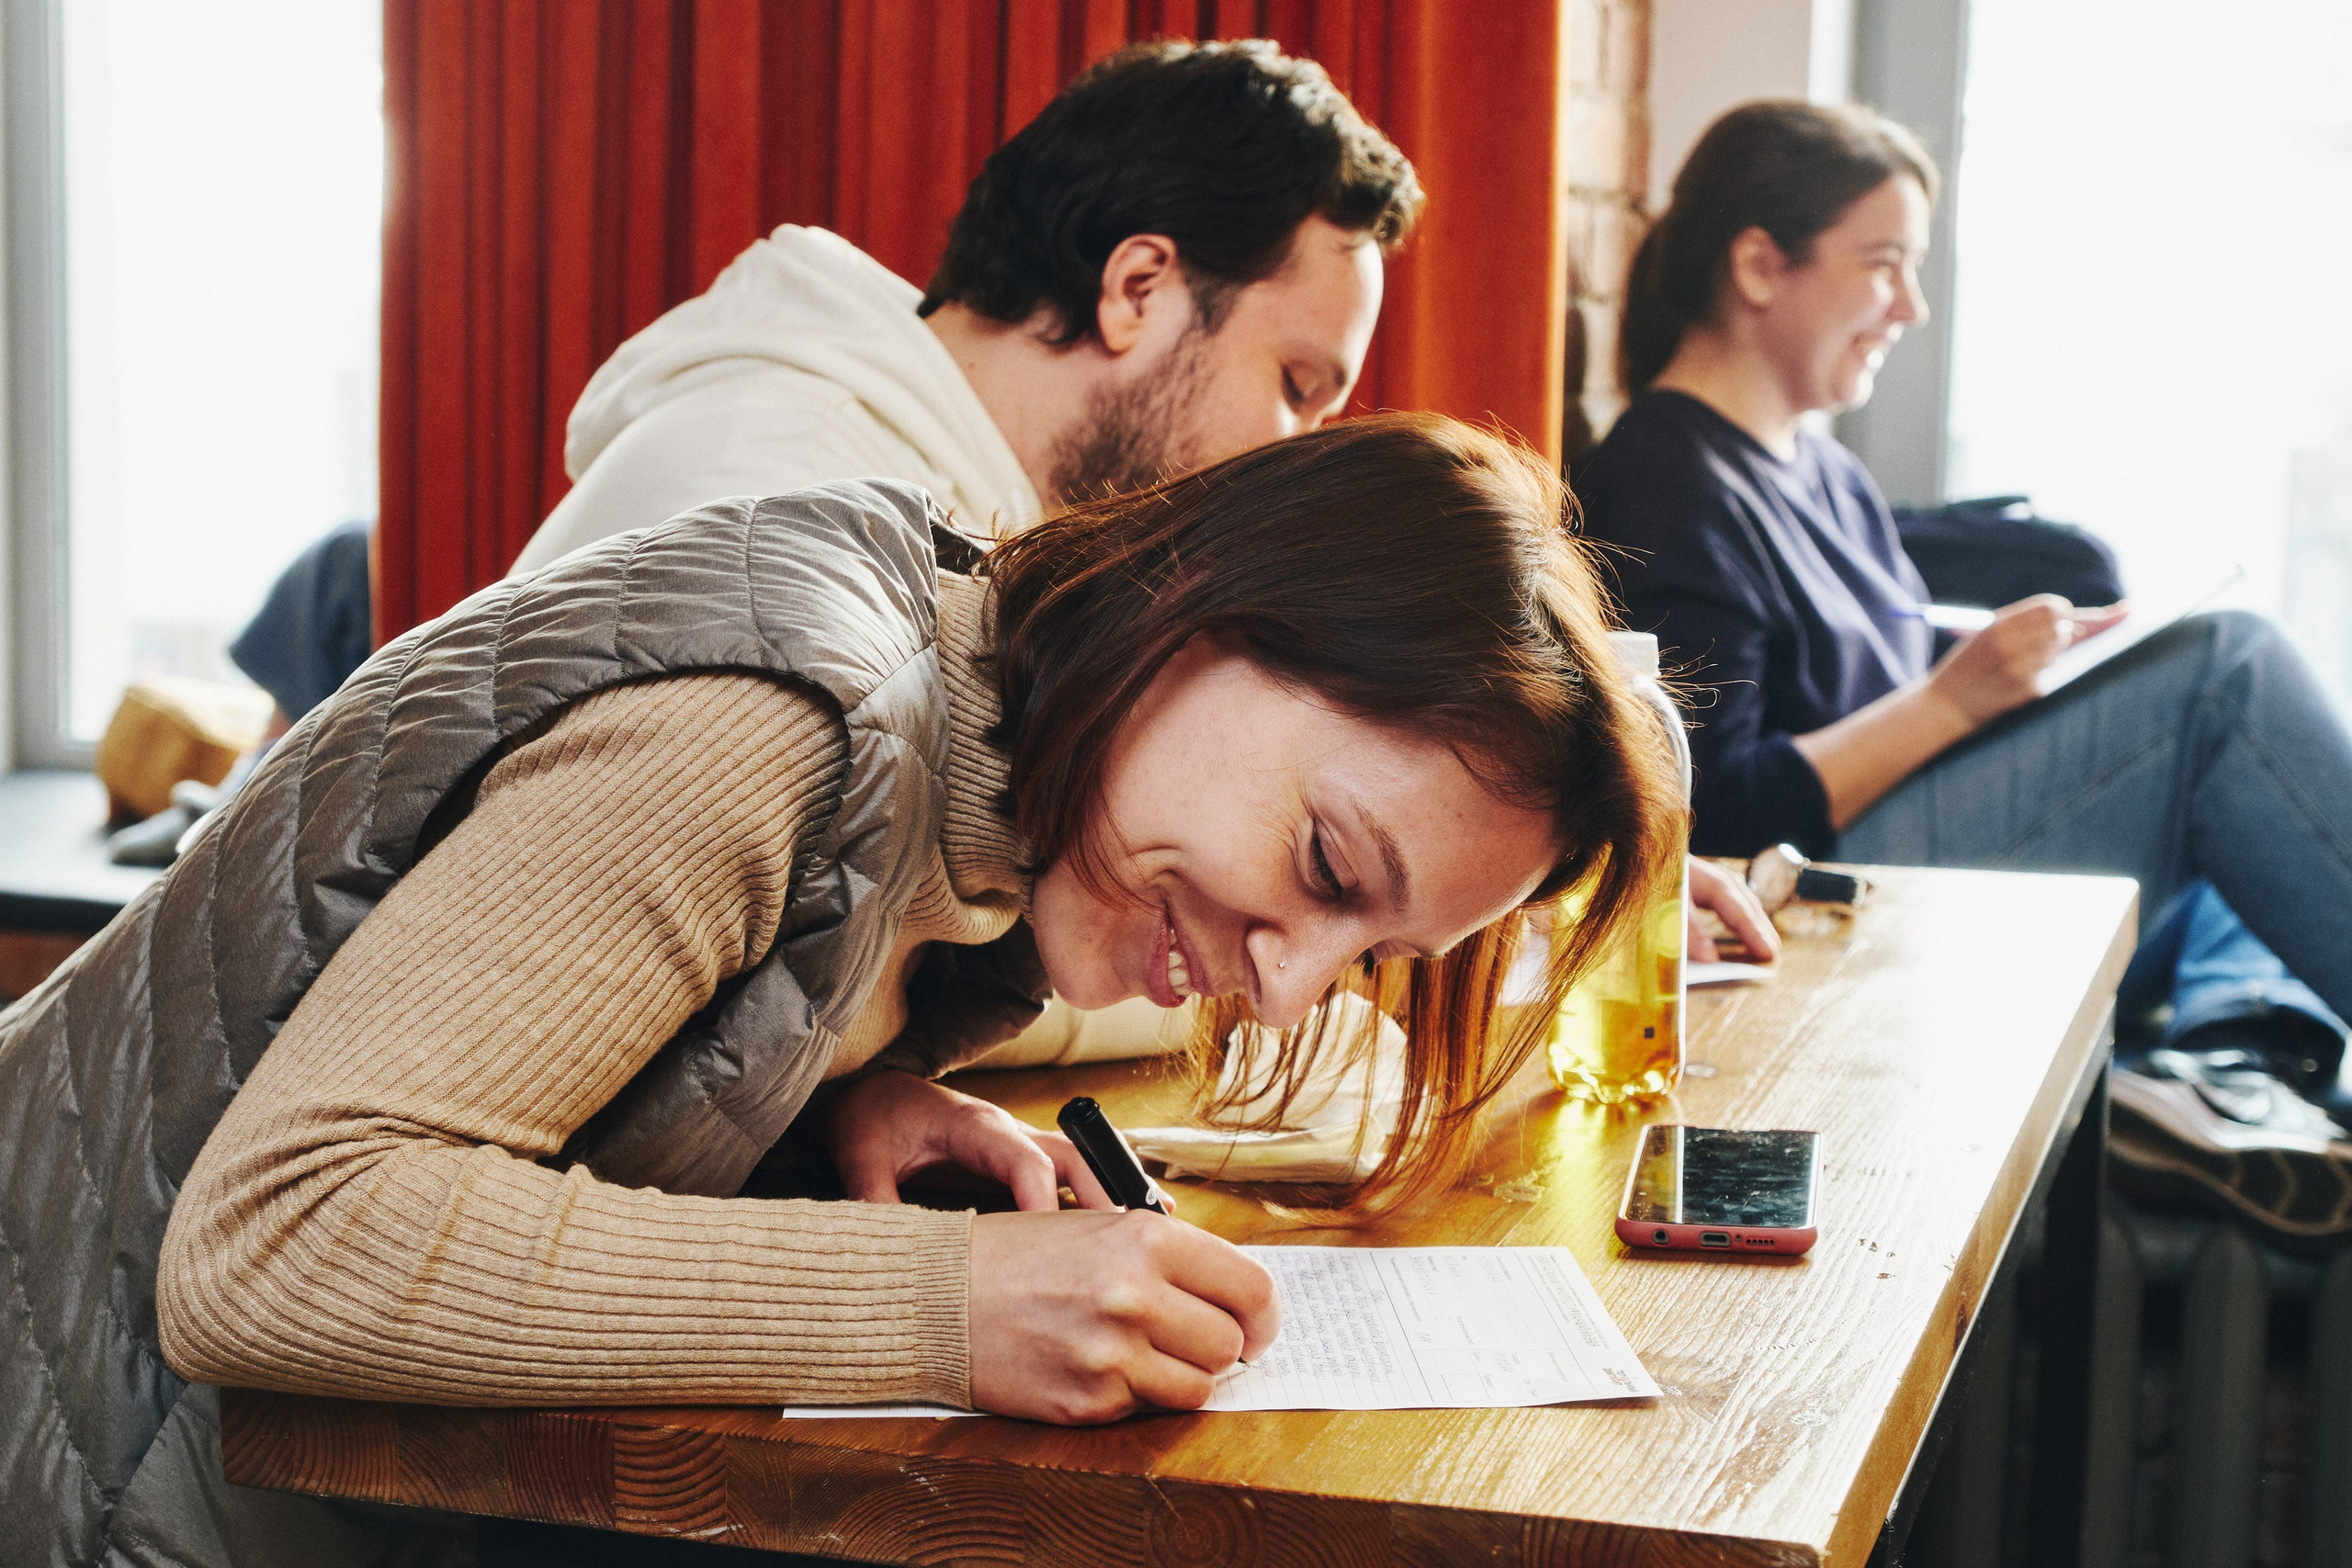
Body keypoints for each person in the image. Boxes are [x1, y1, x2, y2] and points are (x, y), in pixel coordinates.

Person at [0, 414, 1685, 1564]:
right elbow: (281, 1240)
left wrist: (824, 1099)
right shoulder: (775, 720)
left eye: (1372, 957)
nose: (1289, 980)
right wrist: (946, 1299)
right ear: (1201, 607)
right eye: (1326, 869)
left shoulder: (972, 752)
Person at [1570, 101, 2352, 1238]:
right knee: (2226, 674)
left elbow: (1863, 663)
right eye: (1883, 264)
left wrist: (2038, 670)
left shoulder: (1820, 474)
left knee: (2224, 767)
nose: (1909, 307)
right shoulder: (1659, 483)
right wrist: (1952, 699)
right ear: (1756, 264)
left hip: (1909, 844)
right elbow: (1719, 811)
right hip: (1831, 901)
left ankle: (2230, 1075)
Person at [510, 38, 1414, 574]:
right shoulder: (788, 512)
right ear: (1138, 289)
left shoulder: (953, 525)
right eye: (1296, 388)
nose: (1289, 463)